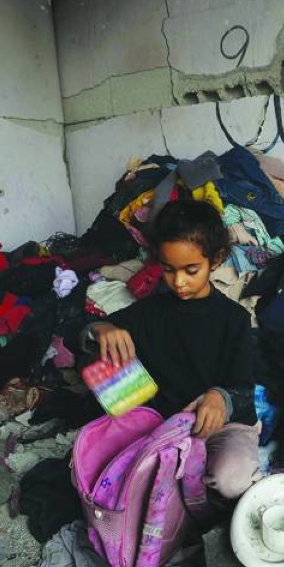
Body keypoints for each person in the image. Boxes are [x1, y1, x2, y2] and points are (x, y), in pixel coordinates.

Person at [84, 201, 260, 499]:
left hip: (221, 427)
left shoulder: (234, 319)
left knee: (230, 478)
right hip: (162, 427)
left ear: (215, 259)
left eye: (191, 270)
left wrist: (221, 397)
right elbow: (87, 333)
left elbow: (244, 387)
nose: (179, 282)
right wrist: (99, 330)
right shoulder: (149, 313)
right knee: (113, 475)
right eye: (168, 270)